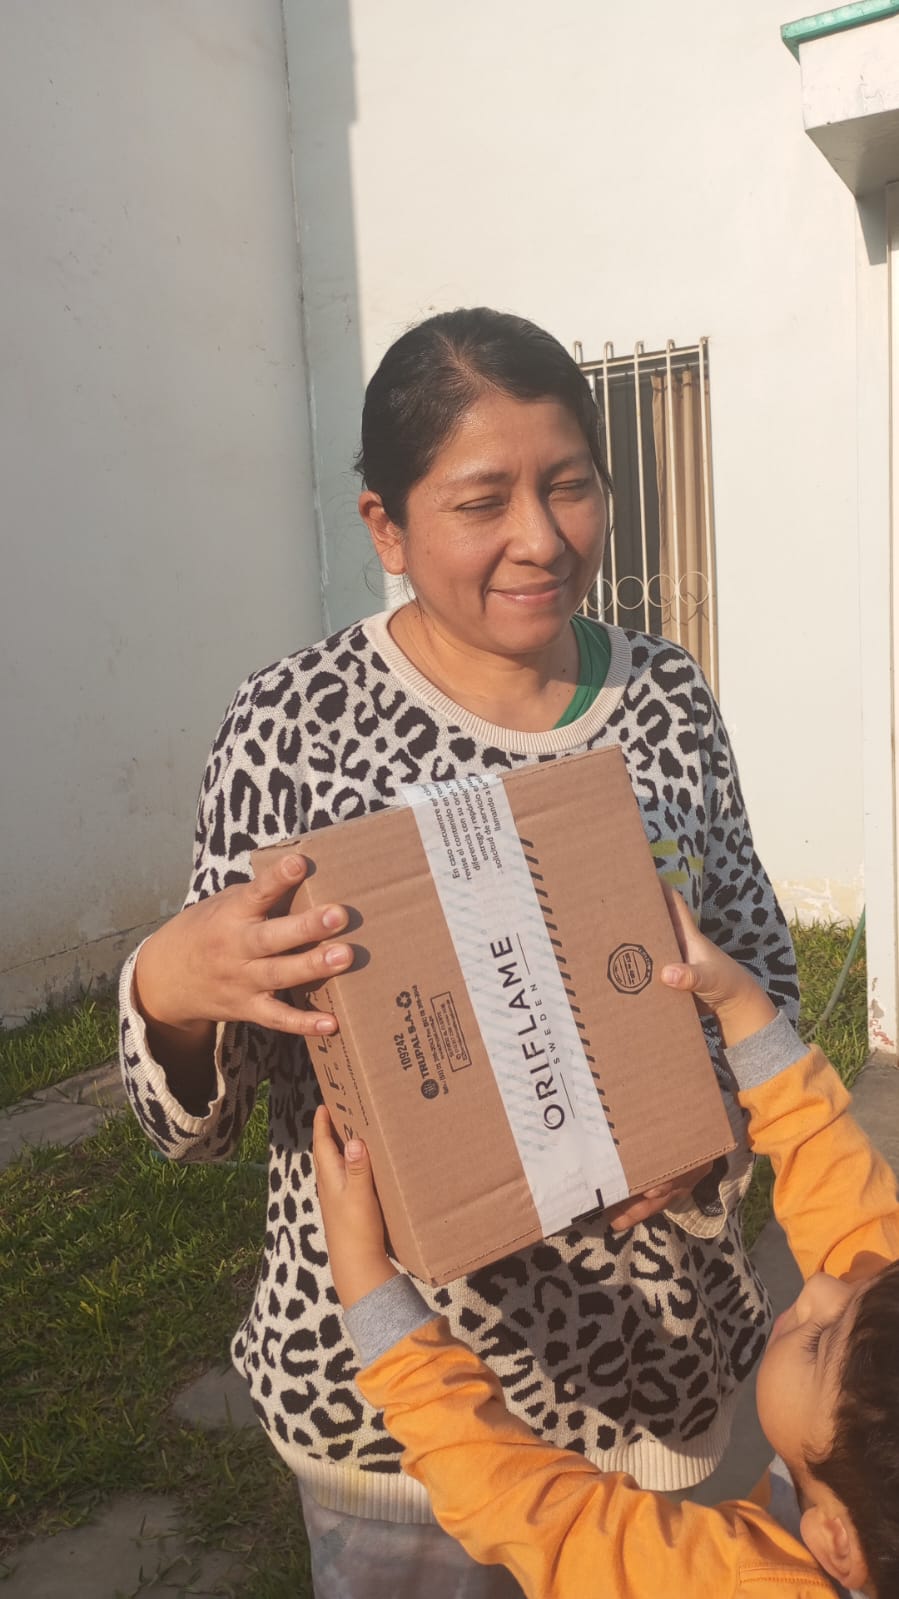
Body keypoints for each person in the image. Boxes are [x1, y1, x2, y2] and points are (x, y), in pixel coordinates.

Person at [119, 308, 799, 1598]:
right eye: (482, 502)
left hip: (656, 1381)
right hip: (401, 1413)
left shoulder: (661, 698)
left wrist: (712, 1117)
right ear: (385, 527)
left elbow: (758, 971)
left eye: (569, 485)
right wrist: (171, 990)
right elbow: (203, 1124)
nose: (539, 537)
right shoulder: (293, 725)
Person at [314, 893, 899, 1599]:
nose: (825, 1285)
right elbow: (853, 1218)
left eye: (819, 1339)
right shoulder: (860, 1485)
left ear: (837, 1543)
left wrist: (369, 1289)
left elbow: (539, 1516)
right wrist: (742, 1007)